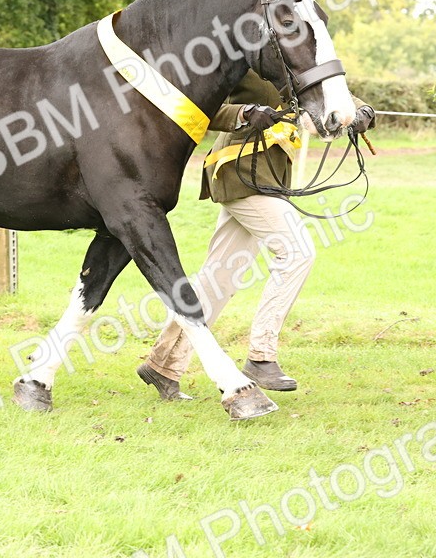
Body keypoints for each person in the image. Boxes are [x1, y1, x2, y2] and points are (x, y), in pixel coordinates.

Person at [137, 71, 375, 400]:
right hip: (240, 170)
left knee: (218, 278)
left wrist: (361, 110)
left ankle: (163, 365)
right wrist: (245, 113)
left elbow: (327, 92)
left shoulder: (300, 62)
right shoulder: (244, 61)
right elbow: (200, 107)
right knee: (297, 252)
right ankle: (261, 357)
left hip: (269, 178)